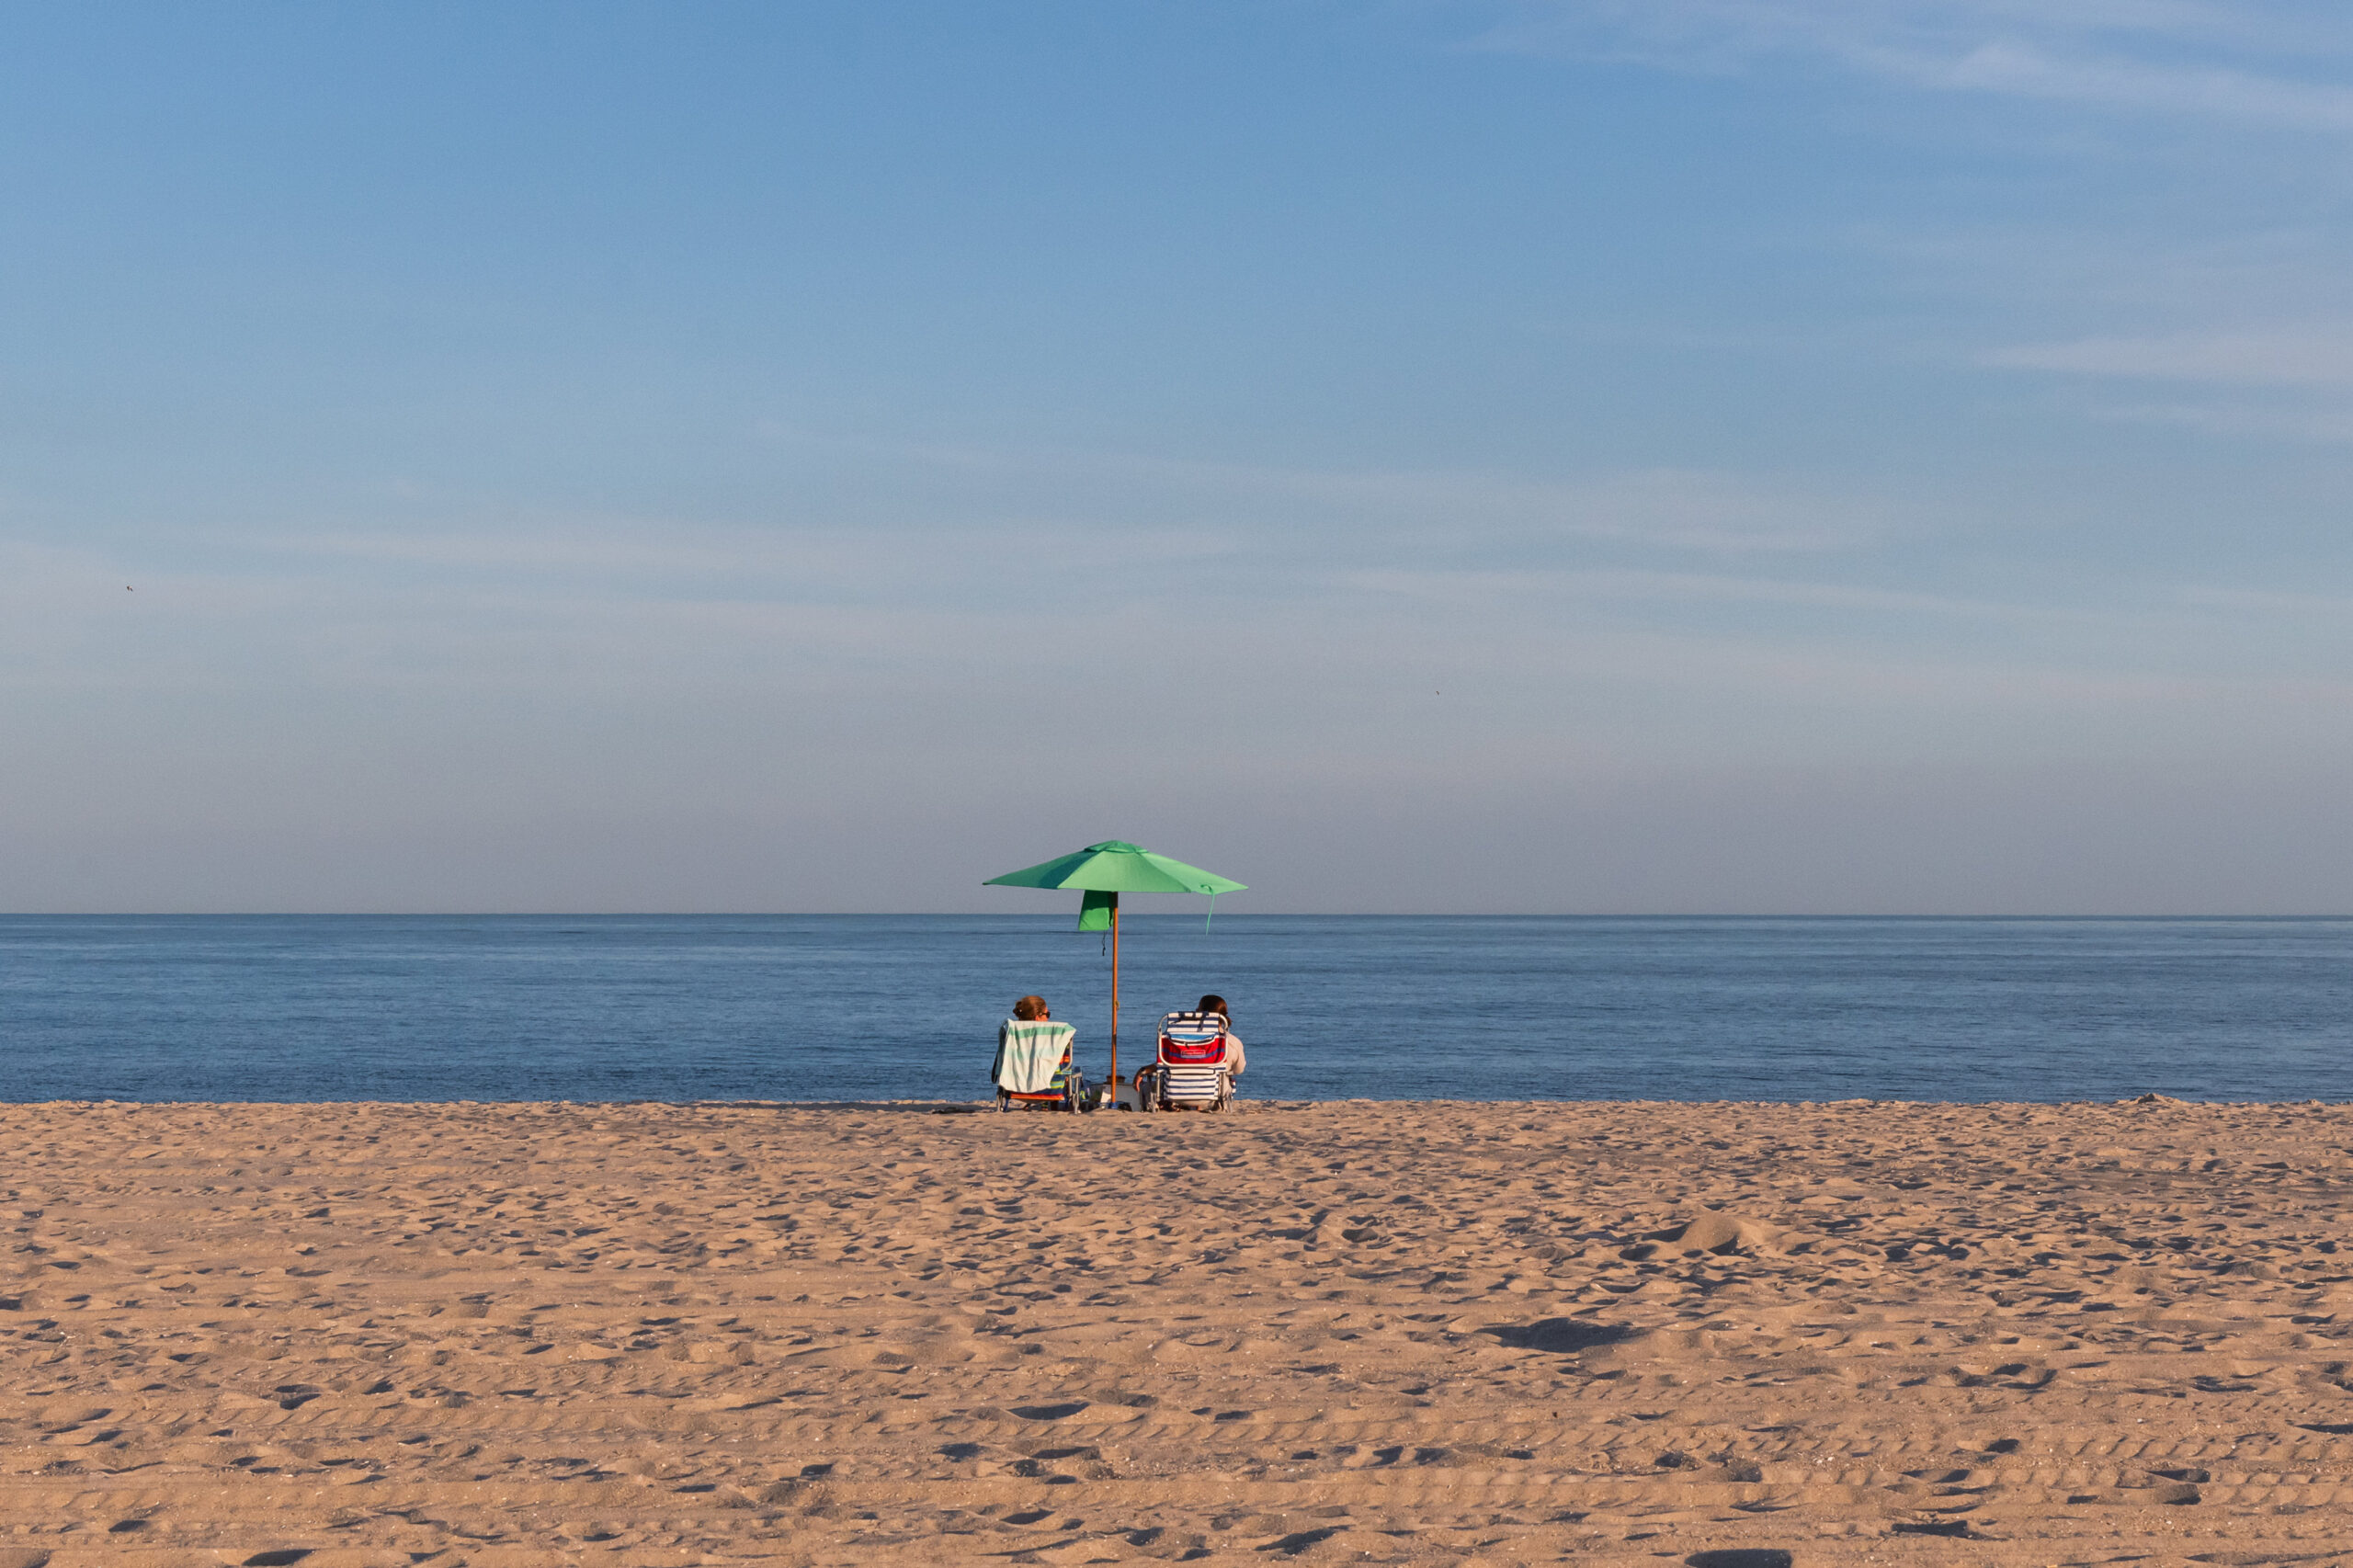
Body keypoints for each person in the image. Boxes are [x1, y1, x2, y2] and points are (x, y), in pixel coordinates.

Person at [1196, 994, 1245, 1079]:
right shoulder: (1232, 1042)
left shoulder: (1175, 1041)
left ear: (1198, 1013)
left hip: (1177, 1090)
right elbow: (1239, 1070)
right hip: (1216, 1091)